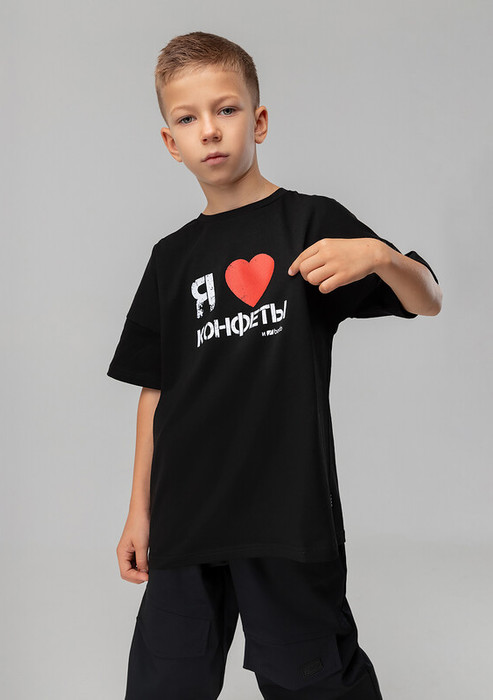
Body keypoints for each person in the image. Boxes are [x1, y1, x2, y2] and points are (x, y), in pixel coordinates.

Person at [107, 30, 442, 700]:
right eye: (187, 118)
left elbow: (426, 299)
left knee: (314, 680)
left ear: (258, 120)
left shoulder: (309, 224)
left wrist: (379, 256)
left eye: (226, 109)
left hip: (284, 517)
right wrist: (138, 512)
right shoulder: (169, 259)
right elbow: (156, 392)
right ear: (170, 142)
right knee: (164, 683)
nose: (209, 130)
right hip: (186, 516)